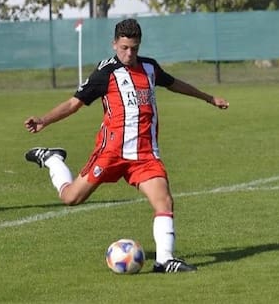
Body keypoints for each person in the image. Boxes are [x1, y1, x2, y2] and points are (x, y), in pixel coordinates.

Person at [24, 18, 229, 273]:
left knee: (164, 201)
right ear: (114, 44)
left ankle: (165, 260)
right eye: (124, 48)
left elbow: (175, 84)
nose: (129, 53)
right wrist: (44, 120)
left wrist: (209, 98)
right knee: (70, 198)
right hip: (110, 153)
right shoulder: (105, 73)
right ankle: (52, 159)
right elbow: (73, 103)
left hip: (144, 155)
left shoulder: (150, 68)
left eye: (133, 48)